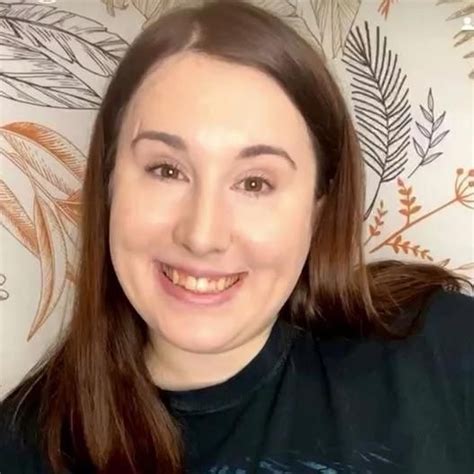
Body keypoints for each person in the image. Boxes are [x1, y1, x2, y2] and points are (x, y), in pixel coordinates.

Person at [1, 1, 473, 473]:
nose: (202, 235)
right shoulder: (22, 449)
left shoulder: (442, 345)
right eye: (166, 170)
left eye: (254, 183)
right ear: (109, 184)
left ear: (317, 208)